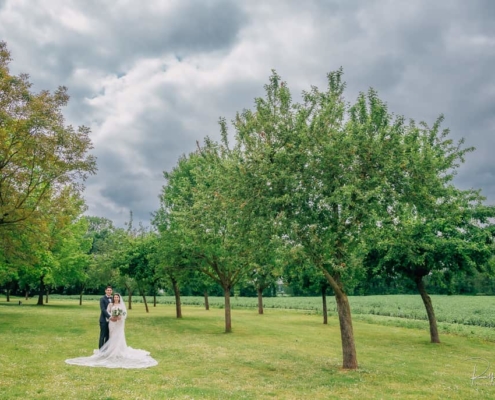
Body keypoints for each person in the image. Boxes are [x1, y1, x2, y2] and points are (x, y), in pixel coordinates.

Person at [65, 293, 158, 369]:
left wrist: (120, 317)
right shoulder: (110, 304)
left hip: (119, 323)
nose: (116, 298)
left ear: (119, 298)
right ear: (113, 298)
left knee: (119, 336)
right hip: (112, 322)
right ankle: (110, 350)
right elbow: (107, 311)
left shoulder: (121, 305)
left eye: (117, 297)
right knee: (111, 336)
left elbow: (124, 313)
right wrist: (112, 317)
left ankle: (119, 350)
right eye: (115, 297)